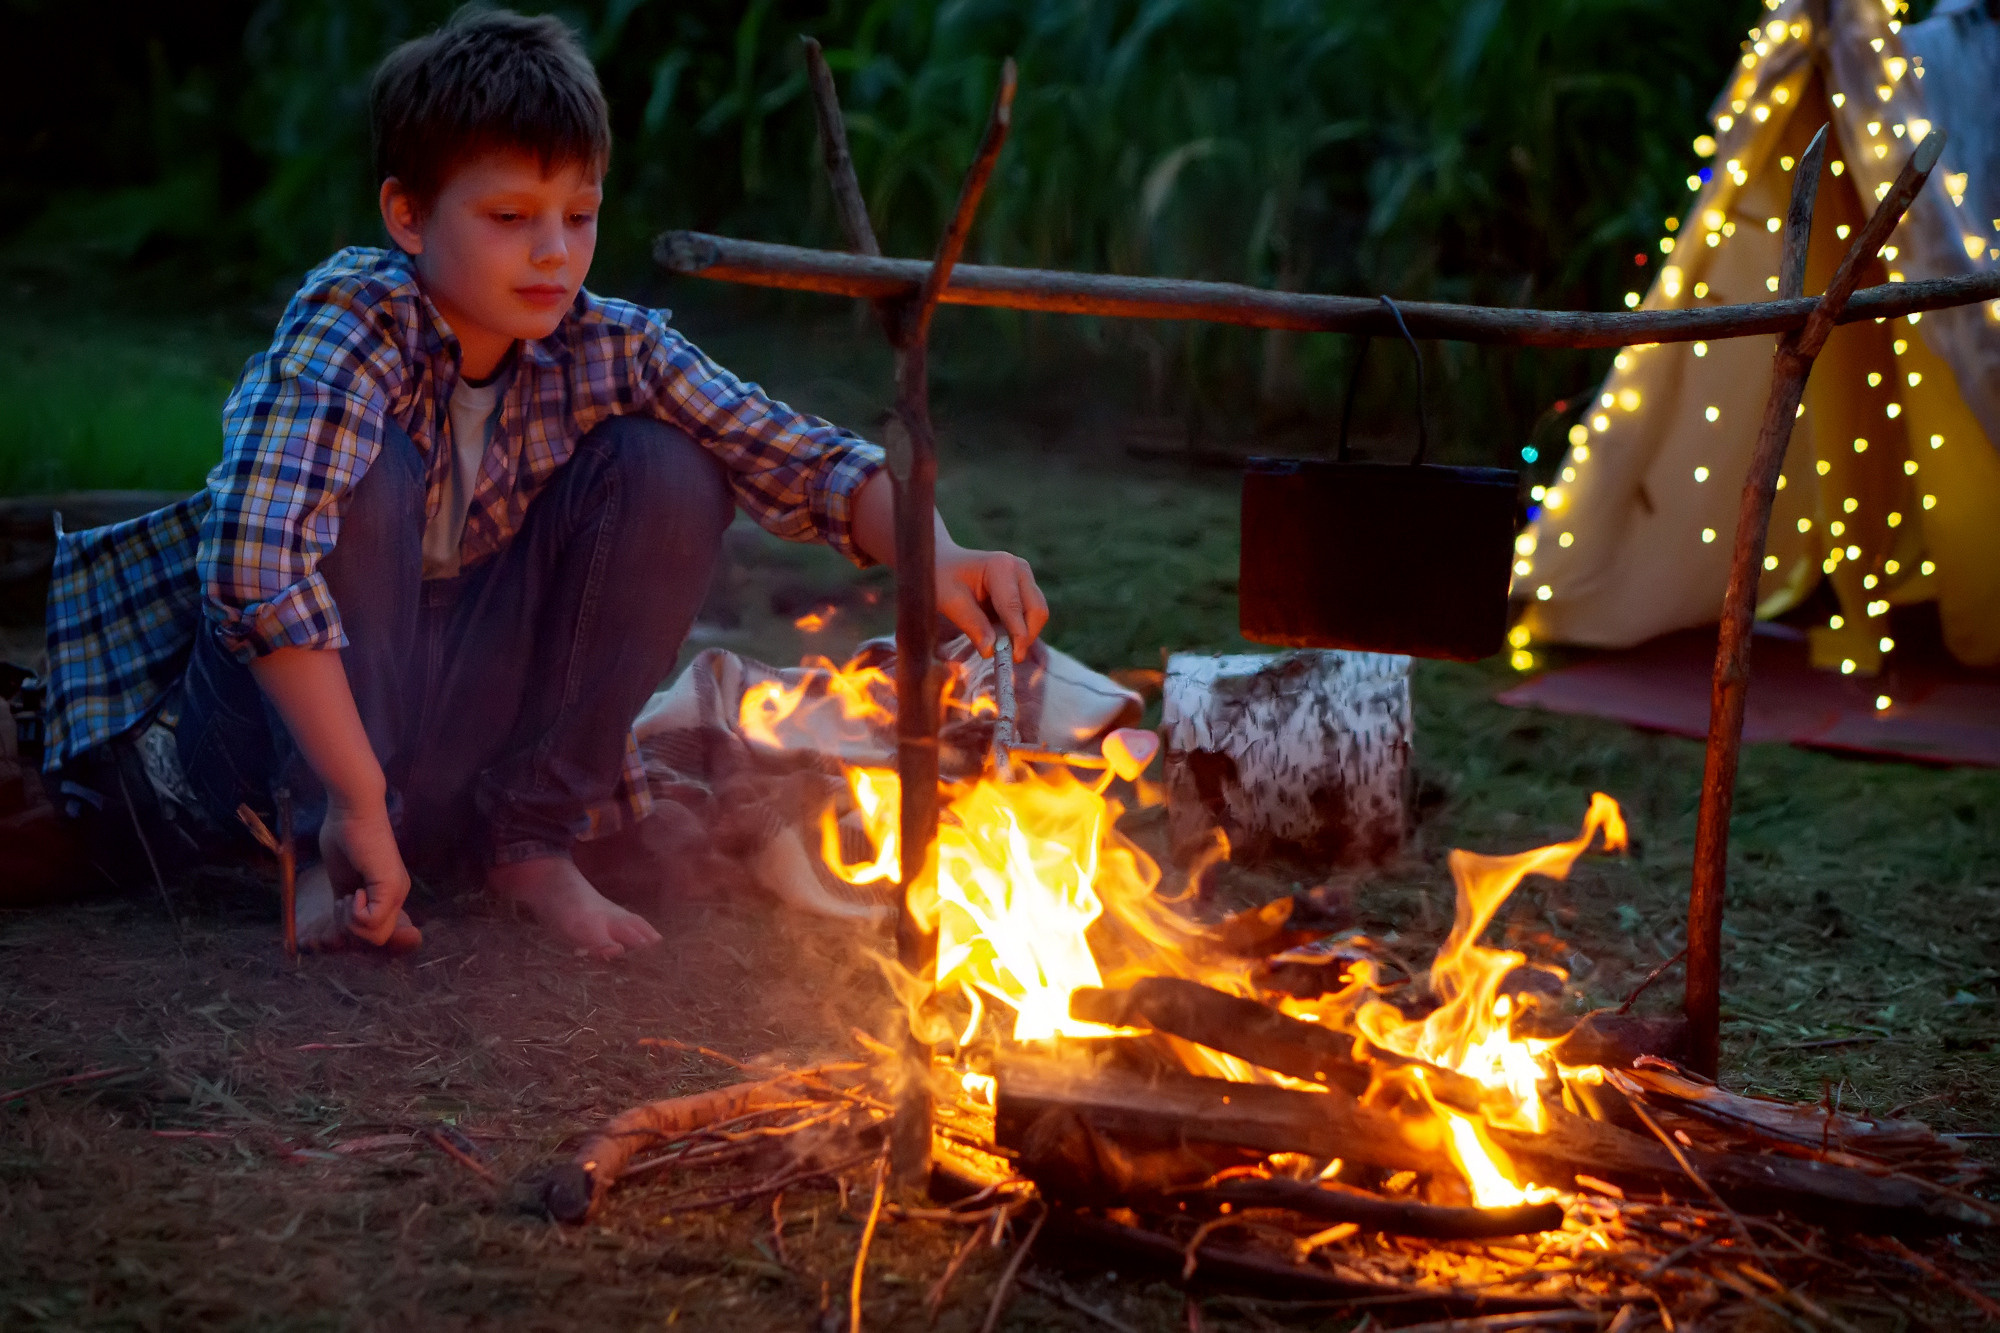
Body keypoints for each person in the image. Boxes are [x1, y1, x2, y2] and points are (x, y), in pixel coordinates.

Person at [39, 9, 1047, 960]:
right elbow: (256, 565)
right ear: (406, 213)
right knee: (368, 475)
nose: (553, 251)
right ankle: (323, 853)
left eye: (579, 214)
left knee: (673, 466)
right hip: (273, 744)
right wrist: (350, 799)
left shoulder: (605, 341)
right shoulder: (352, 322)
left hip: (445, 724)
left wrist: (939, 552)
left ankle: (530, 843)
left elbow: (787, 451)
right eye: (510, 215)